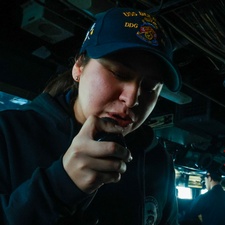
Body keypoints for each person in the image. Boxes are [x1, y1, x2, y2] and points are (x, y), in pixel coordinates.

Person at [0, 7, 181, 225]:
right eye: (119, 74)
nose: (132, 99)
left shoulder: (158, 159)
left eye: (151, 87)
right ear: (78, 67)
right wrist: (58, 187)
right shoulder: (7, 133)